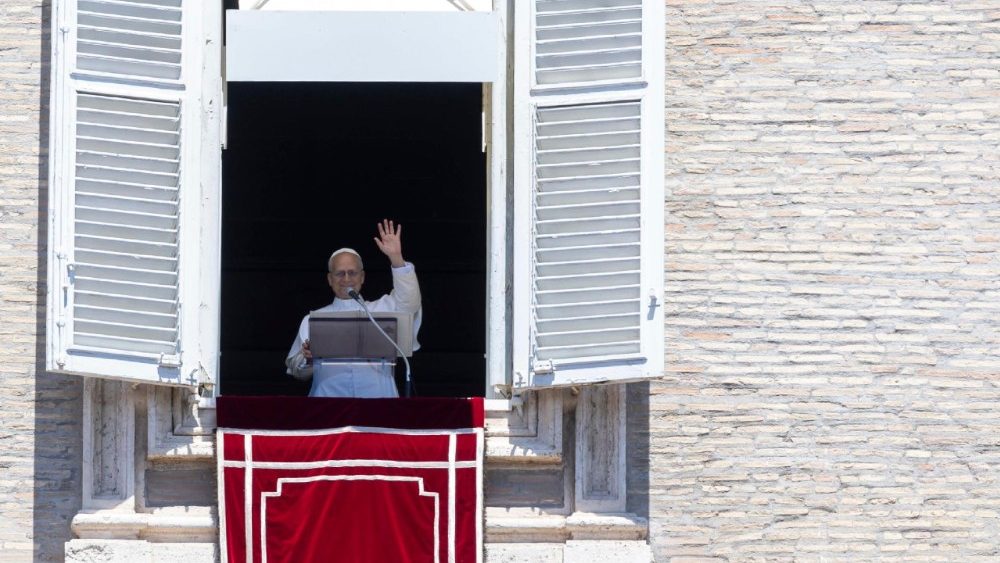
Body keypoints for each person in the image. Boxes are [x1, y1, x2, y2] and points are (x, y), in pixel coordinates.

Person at [285, 219, 421, 398]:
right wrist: (308, 358)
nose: (346, 278)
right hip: (329, 406)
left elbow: (409, 303)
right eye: (339, 273)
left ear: (362, 277)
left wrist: (396, 258)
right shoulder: (312, 319)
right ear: (330, 279)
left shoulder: (383, 309)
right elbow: (297, 371)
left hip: (379, 404)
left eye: (353, 272)